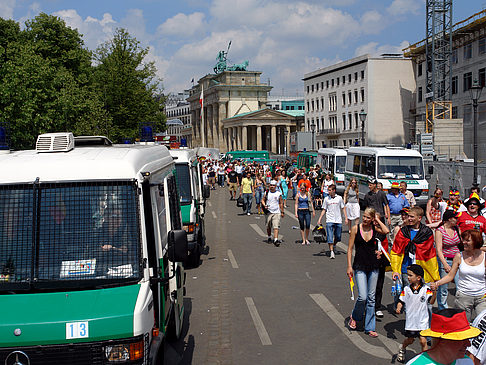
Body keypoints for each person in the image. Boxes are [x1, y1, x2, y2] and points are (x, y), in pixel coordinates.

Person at [347, 207, 389, 338]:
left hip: (373, 266)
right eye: (364, 216)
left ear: (372, 220)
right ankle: (355, 315)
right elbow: (349, 249)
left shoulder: (375, 229)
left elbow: (386, 231)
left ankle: (369, 327)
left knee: (371, 298)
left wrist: (377, 219)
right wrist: (349, 266)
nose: (365, 219)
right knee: (363, 296)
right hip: (359, 266)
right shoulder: (355, 229)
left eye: (367, 217)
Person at [431, 230, 486, 322]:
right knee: (463, 325)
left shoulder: (484, 257)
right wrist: (437, 283)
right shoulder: (459, 256)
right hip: (463, 297)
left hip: (482, 297)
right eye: (463, 240)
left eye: (467, 241)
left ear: (476, 241)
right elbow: (450, 276)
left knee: (483, 324)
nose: (463, 242)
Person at [406, 309, 481, 365]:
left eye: (468, 339)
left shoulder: (467, 361)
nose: (468, 344)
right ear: (441, 341)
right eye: (462, 339)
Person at [396, 264, 437, 363]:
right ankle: (402, 347)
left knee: (423, 341)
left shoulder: (425, 289)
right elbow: (401, 300)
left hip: (422, 320)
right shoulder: (406, 289)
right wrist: (399, 307)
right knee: (410, 340)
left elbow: (431, 301)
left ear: (418, 278)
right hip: (411, 321)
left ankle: (426, 359)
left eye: (410, 275)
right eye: (408, 275)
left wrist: (434, 292)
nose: (408, 277)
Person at [391, 206, 440, 286]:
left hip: (422, 271)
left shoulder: (426, 233)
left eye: (412, 216)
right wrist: (395, 270)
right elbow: (396, 252)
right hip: (406, 270)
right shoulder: (403, 232)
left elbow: (430, 256)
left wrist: (434, 276)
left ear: (419, 218)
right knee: (407, 295)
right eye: (408, 216)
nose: (409, 218)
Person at [364, 179, 391, 318]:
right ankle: (369, 305)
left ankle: (377, 306)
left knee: (379, 285)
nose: (369, 186)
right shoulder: (368, 230)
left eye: (371, 183)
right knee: (369, 286)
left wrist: (382, 219)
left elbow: (386, 231)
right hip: (369, 261)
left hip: (380, 261)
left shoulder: (381, 230)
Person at [435, 210, 462, 310]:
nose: (457, 220)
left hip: (458, 259)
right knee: (443, 288)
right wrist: (445, 264)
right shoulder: (440, 231)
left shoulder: (456, 228)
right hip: (446, 259)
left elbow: (461, 243)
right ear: (449, 219)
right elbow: (439, 250)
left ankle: (459, 309)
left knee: (460, 287)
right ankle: (443, 309)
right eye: (455, 218)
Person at [317, 184, 348, 259]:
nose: (329, 191)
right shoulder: (326, 199)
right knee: (330, 236)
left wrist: (346, 218)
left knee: (338, 236)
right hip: (329, 220)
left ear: (334, 190)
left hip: (338, 220)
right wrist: (320, 219)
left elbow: (343, 208)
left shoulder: (339, 198)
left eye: (330, 190)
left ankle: (334, 245)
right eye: (328, 190)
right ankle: (331, 252)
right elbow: (324, 209)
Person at [262, 180, 284, 247]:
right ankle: (269, 237)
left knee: (276, 226)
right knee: (268, 226)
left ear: (275, 186)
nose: (271, 187)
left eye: (273, 185)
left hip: (276, 212)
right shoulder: (267, 192)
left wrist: (282, 212)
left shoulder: (278, 193)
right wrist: (264, 205)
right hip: (269, 211)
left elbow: (280, 203)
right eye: (271, 185)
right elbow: (262, 200)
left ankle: (275, 239)